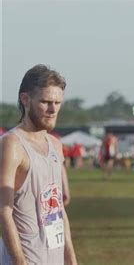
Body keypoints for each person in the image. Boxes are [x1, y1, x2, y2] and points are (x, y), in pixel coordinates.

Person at [0, 64, 77, 264]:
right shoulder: (12, 144)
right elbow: (3, 210)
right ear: (25, 99)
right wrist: (20, 262)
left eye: (58, 103)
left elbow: (58, 210)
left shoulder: (55, 145)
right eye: (46, 102)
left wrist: (71, 260)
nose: (53, 109)